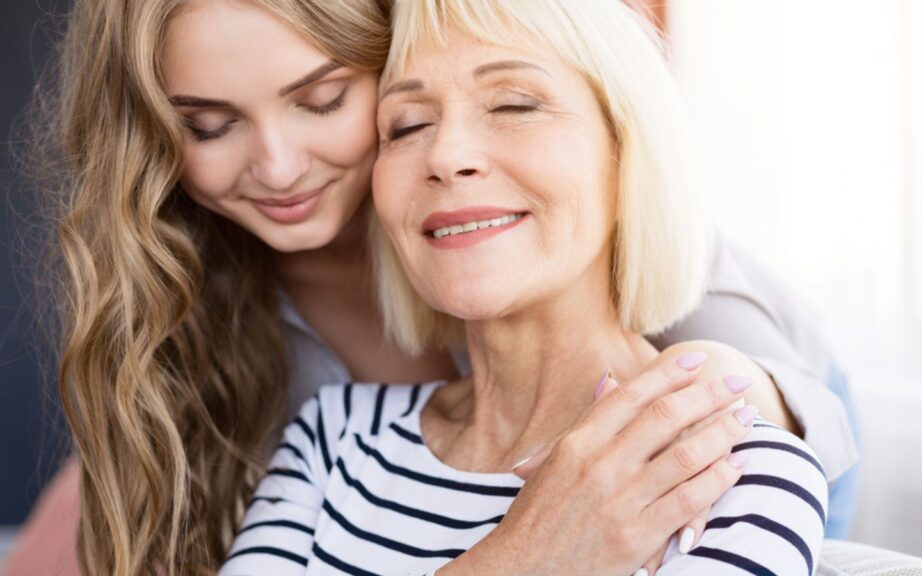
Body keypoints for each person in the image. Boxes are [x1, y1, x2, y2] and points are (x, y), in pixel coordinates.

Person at [2, 0, 855, 574]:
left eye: (322, 99)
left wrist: (709, 408)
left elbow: (767, 412)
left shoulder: (580, 219)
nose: (277, 165)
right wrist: (519, 556)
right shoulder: (313, 416)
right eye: (209, 125)